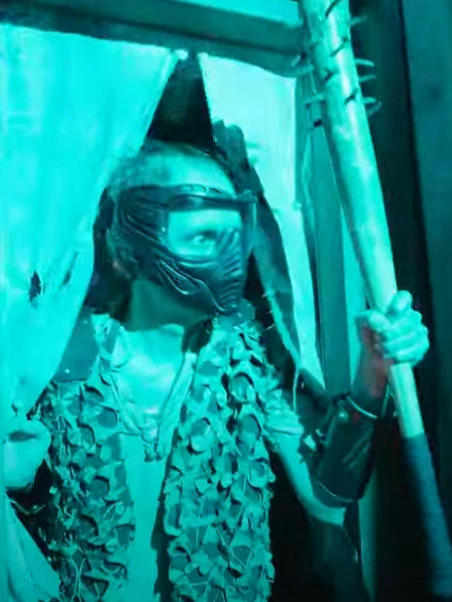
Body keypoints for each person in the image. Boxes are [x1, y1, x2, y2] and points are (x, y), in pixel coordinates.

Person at [8, 134, 429, 602]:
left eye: (233, 236)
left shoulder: (253, 358)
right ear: (126, 251)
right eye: (204, 236)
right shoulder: (52, 358)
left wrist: (373, 372)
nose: (227, 258)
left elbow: (327, 500)